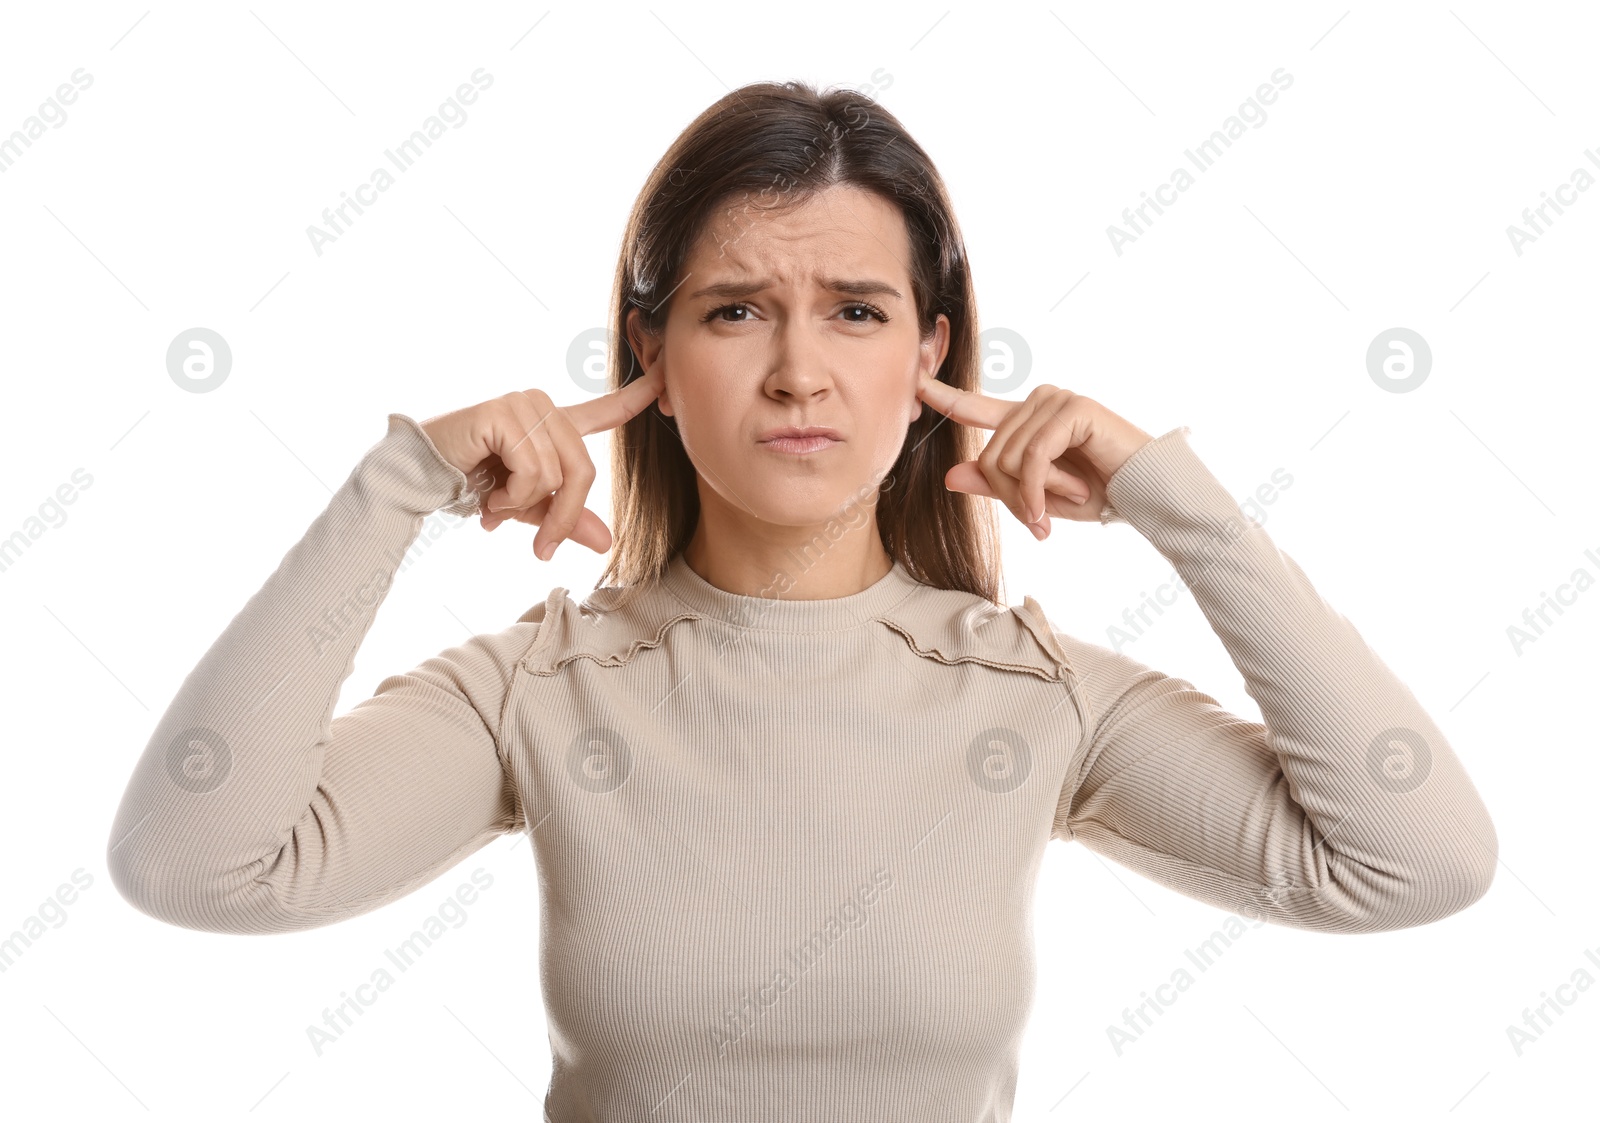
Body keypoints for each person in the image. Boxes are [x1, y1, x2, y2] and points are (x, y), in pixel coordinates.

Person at [107, 80, 1497, 1122]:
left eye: (855, 310)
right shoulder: (541, 687)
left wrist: (1174, 502)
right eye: (732, 311)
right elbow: (197, 863)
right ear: (648, 351)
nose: (797, 372)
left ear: (933, 351)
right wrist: (397, 486)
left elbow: (1414, 859)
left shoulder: (1037, 695)